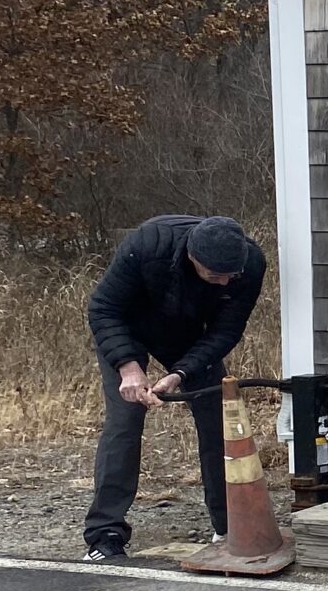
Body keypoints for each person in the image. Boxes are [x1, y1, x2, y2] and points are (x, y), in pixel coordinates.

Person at [83, 214, 267, 560]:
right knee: (125, 422)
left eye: (233, 275)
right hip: (128, 331)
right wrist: (129, 367)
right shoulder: (147, 244)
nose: (226, 283)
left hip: (191, 338)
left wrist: (181, 372)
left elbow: (226, 331)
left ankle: (230, 525)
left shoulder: (250, 264)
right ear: (193, 258)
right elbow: (104, 309)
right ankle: (104, 533)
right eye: (216, 276)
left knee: (219, 422)